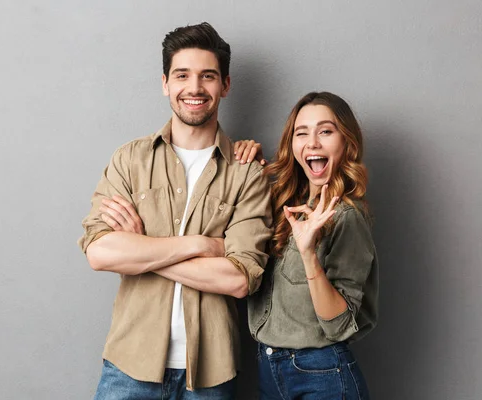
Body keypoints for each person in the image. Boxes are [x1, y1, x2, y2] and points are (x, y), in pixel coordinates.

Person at [78, 22, 273, 400]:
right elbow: (100, 252)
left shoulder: (247, 171)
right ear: (166, 83)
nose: (195, 88)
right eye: (182, 75)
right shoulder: (130, 160)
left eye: (208, 76)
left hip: (211, 375)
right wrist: (202, 244)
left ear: (225, 86)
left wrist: (141, 248)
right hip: (128, 364)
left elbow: (238, 279)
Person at [236, 91, 378, 399]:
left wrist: (309, 253)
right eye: (302, 133)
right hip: (269, 368)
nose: (312, 143)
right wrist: (241, 160)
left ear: (346, 142)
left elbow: (340, 325)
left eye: (325, 131)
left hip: (322, 374)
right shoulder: (284, 204)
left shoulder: (347, 217)